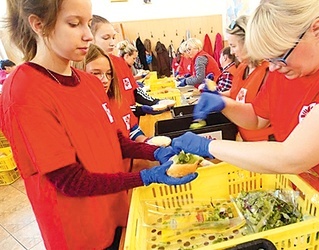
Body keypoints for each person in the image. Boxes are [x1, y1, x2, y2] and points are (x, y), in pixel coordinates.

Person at [171, 0, 319, 249]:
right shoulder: (285, 70)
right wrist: (225, 105)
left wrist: (209, 146)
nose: (272, 67)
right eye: (267, 59)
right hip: (313, 205)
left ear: (317, 29)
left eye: (279, 55)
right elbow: (258, 118)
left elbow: (293, 156)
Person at [0, 1, 197, 249]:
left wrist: (154, 151)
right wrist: (145, 177)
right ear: (38, 25)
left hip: (112, 211)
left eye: (88, 23)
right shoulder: (25, 90)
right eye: (74, 24)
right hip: (80, 232)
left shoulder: (89, 83)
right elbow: (69, 181)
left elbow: (114, 140)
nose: (88, 35)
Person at [90, 15, 162, 119]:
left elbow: (134, 90)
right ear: (90, 38)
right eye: (106, 38)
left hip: (131, 122)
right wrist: (138, 109)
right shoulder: (88, 70)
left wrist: (155, 102)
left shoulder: (119, 63)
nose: (112, 43)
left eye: (113, 37)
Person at [220, 15, 273, 141]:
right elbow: (238, 93)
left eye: (233, 46)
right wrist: (217, 94)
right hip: (244, 138)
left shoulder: (269, 73)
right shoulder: (243, 67)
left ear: (249, 43)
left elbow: (259, 118)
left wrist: (221, 103)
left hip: (264, 145)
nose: (231, 52)